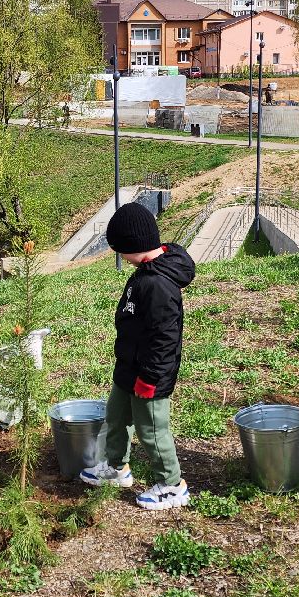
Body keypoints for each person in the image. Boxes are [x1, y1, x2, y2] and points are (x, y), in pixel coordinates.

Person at [79, 203, 195, 510]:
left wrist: (150, 377)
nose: (118, 255)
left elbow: (164, 338)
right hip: (129, 368)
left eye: (119, 249)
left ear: (133, 246)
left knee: (152, 430)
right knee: (116, 417)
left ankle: (171, 486)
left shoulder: (158, 285)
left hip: (150, 376)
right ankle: (116, 467)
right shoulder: (144, 273)